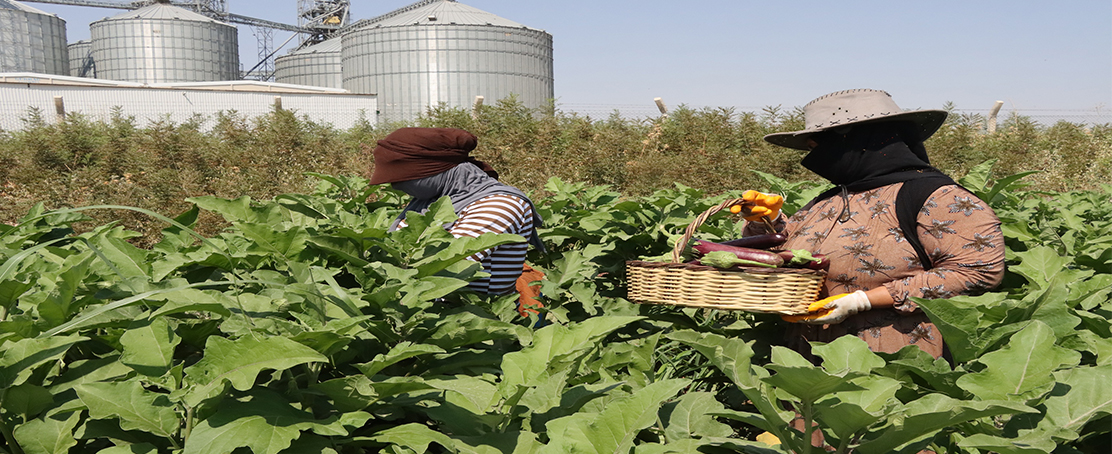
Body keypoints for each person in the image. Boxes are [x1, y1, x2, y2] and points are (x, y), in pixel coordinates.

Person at [742, 88, 1006, 360]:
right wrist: (766, 222)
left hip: (892, 361)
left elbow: (978, 270)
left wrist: (863, 300)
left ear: (858, 141)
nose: (815, 160)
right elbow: (787, 258)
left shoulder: (936, 197)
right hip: (809, 356)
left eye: (817, 148)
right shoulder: (827, 201)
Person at [368, 127, 545, 311]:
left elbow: (445, 264)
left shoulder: (500, 205)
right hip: (428, 314)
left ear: (435, 169)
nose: (395, 187)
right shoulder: (431, 201)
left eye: (401, 179)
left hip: (479, 323)